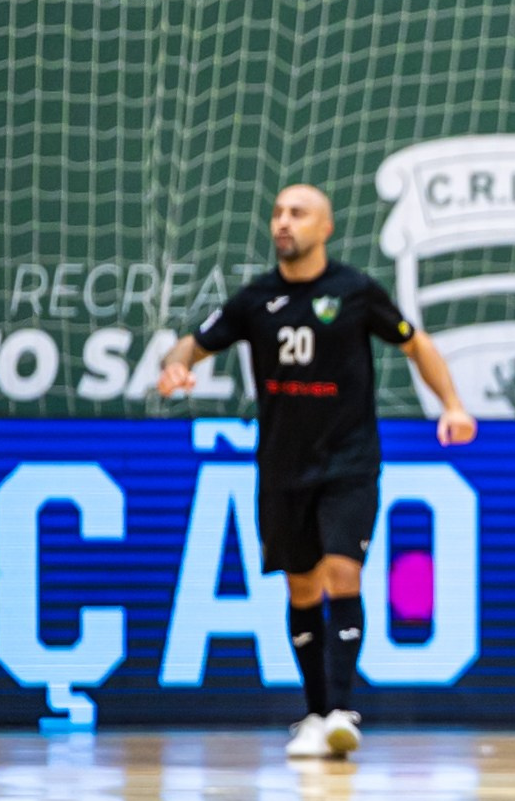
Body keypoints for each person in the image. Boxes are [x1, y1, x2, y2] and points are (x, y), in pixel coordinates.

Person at [158, 185, 475, 760]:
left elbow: (415, 343)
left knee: (341, 572)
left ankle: (342, 711)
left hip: (349, 461)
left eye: (297, 214)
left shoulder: (355, 292)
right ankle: (313, 714)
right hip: (282, 467)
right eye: (278, 213)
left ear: (324, 228)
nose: (284, 223)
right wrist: (175, 368)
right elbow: (192, 345)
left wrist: (451, 403)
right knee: (301, 586)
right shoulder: (256, 299)